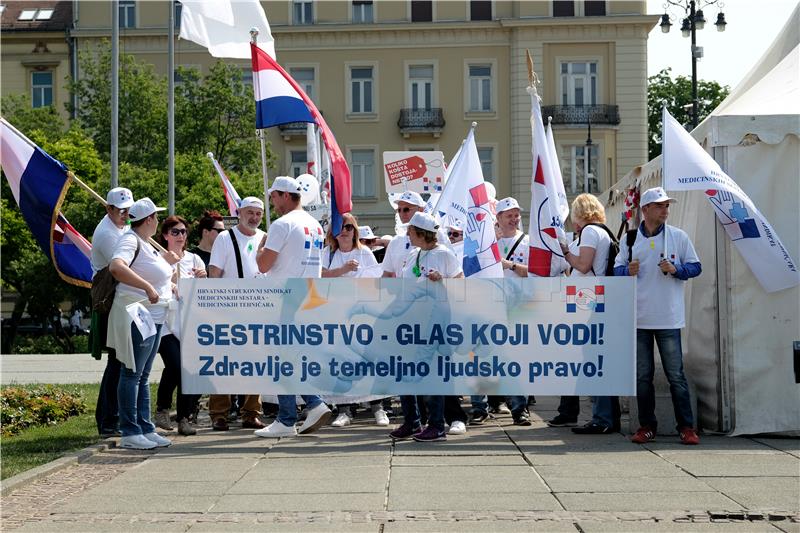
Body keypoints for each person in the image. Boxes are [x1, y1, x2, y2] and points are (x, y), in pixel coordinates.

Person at [614, 187, 702, 445]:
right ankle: (646, 426)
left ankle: (686, 427)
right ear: (646, 210)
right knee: (643, 376)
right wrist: (626, 272)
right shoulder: (630, 239)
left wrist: (676, 269)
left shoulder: (679, 236)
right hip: (639, 317)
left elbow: (696, 267)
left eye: (667, 205)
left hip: (668, 317)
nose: (666, 210)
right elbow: (616, 269)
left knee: (676, 375)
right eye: (660, 205)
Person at [254, 176, 332, 437]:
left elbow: (263, 265)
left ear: (286, 195)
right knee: (290, 356)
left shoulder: (282, 224)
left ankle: (305, 407)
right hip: (308, 294)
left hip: (285, 296)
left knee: (282, 358)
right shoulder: (315, 224)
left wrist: (259, 248)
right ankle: (292, 415)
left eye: (274, 196)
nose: (272, 202)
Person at [107, 198, 180, 450]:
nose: (158, 220)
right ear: (148, 219)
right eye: (156, 217)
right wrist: (147, 286)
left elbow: (156, 274)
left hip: (155, 316)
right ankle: (130, 431)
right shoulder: (130, 240)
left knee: (143, 374)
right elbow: (116, 267)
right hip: (139, 315)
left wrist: (168, 285)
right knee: (132, 373)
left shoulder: (146, 244)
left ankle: (145, 427)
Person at [389, 212, 464, 443]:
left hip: (435, 318)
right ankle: (412, 420)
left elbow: (461, 283)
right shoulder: (414, 253)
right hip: (413, 318)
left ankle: (436, 425)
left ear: (421, 233)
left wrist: (442, 279)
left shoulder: (444, 254)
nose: (407, 233)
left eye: (410, 230)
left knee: (429, 371)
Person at [559, 193, 621, 435]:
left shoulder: (589, 232)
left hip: (591, 299)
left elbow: (583, 265)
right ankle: (608, 415)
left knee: (594, 358)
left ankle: (602, 417)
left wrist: (565, 252)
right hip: (600, 297)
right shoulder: (603, 230)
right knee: (598, 357)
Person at [321, 213, 388, 427]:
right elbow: (319, 275)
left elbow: (374, 280)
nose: (345, 231)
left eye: (349, 227)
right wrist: (343, 270)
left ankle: (378, 406)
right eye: (341, 226)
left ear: (355, 230)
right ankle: (345, 409)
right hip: (335, 314)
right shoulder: (327, 253)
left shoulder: (364, 252)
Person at [207, 197, 268, 431]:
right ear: (240, 213)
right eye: (250, 212)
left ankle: (251, 412)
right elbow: (215, 272)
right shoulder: (225, 237)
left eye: (258, 214)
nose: (254, 217)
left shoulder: (265, 237)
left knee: (255, 361)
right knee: (224, 362)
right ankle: (219, 413)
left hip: (258, 307)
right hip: (229, 306)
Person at [470, 197, 530, 427]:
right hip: (486, 305)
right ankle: (479, 407)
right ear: (498, 218)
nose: (514, 219)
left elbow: (533, 272)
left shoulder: (526, 241)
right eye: (509, 215)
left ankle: (519, 408)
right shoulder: (486, 243)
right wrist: (491, 243)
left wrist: (509, 265)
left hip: (514, 306)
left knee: (511, 359)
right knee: (479, 358)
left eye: (516, 215)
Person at [153, 215, 206, 436]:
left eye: (183, 232)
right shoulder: (157, 257)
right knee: (175, 366)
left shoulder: (194, 260)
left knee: (187, 370)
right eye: (175, 232)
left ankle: (184, 418)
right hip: (165, 322)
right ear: (165, 235)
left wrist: (203, 278)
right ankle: (162, 409)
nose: (180, 236)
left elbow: (202, 290)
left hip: (187, 322)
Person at [90, 186, 134, 438]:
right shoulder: (107, 233)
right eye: (121, 211)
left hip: (121, 297)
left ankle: (113, 416)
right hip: (109, 298)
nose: (126, 215)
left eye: (129, 210)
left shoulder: (121, 227)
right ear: (109, 209)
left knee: (119, 361)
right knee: (116, 361)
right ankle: (108, 419)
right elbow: (123, 267)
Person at [382, 191, 426, 278]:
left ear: (420, 210)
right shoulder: (396, 241)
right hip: (403, 290)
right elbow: (387, 274)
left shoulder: (437, 235)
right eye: (399, 210)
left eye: (406, 209)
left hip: (429, 290)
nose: (402, 213)